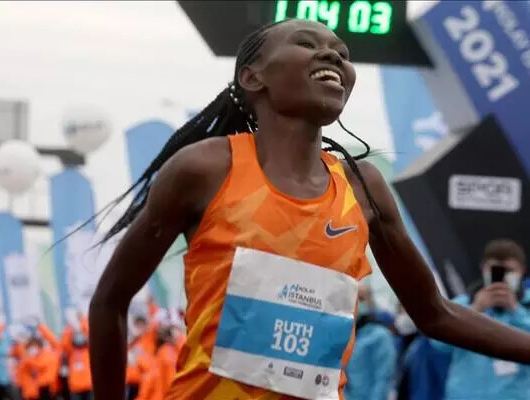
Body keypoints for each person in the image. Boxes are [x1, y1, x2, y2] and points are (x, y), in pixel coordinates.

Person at [88, 19, 530, 400]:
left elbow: (434, 313)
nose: (333, 55)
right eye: (306, 43)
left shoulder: (363, 187)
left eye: (343, 53)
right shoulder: (205, 168)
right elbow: (110, 302)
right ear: (253, 77)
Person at [431, 239, 530, 399]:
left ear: (522, 271)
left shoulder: (526, 307)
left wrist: (516, 311)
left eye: (510, 271)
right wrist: (475, 309)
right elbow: (438, 344)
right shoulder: (461, 304)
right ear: (483, 268)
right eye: (495, 270)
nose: (503, 276)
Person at [345, 285, 396, 400]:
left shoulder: (380, 336)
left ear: (370, 301)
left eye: (361, 299)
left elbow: (383, 378)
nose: (357, 303)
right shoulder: (351, 335)